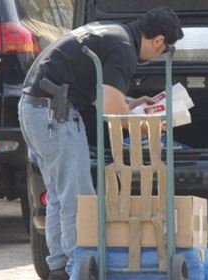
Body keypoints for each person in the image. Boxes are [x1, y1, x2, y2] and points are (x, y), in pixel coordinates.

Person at [18, 6, 183, 280]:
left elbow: (96, 92)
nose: (159, 57)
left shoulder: (111, 33)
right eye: (163, 51)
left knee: (59, 195)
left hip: (34, 110)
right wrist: (145, 128)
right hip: (55, 116)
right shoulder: (124, 50)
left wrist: (131, 104)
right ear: (158, 41)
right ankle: (78, 268)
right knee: (78, 197)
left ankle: (59, 268)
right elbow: (109, 108)